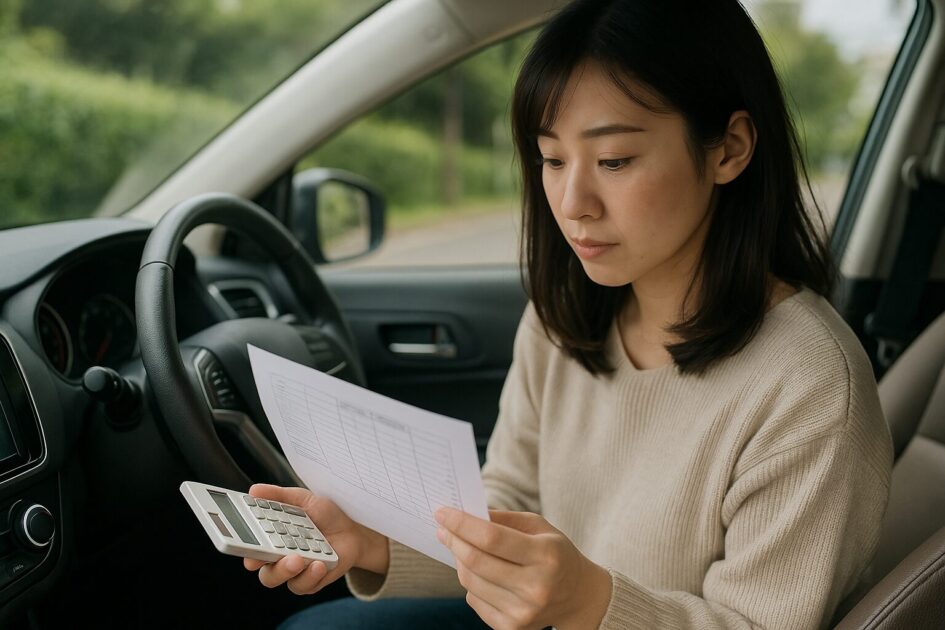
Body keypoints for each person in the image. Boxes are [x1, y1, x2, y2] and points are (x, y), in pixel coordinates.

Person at [245, 0, 894, 627]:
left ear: (728, 149)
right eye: (551, 159)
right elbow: (509, 513)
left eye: (613, 160)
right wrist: (374, 540)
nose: (572, 202)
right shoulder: (563, 322)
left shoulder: (809, 388)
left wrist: (589, 602)